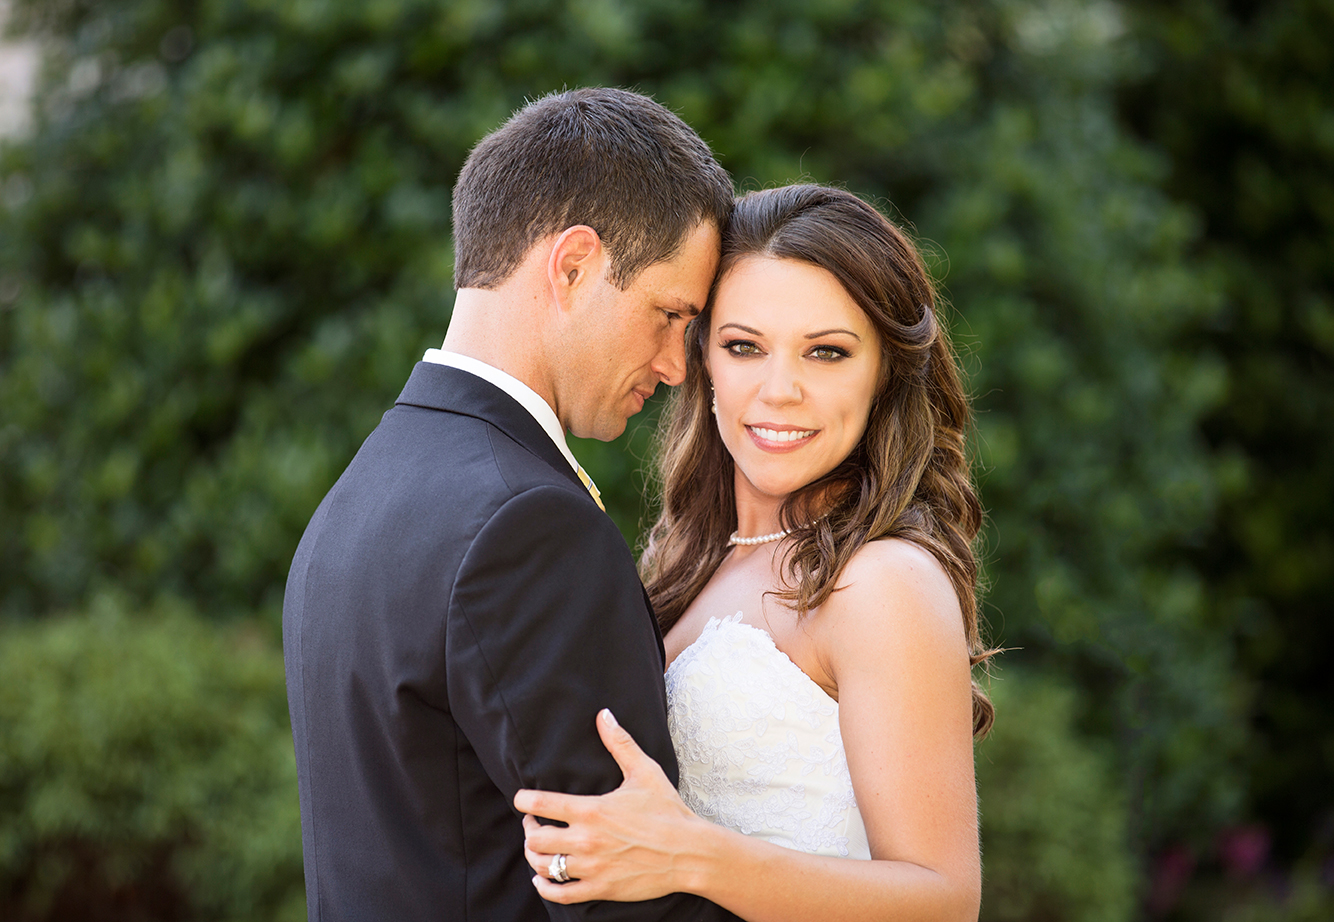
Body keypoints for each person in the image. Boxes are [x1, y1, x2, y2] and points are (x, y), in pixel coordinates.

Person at [282, 88, 742, 921]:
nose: (679, 365)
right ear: (572, 266)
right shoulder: (528, 526)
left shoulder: (359, 493)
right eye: (670, 314)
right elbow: (626, 904)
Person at [514, 184, 996, 922]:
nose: (781, 391)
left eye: (827, 353)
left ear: (884, 375)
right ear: (701, 361)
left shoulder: (881, 582)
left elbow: (943, 901)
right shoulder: (691, 561)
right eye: (745, 347)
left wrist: (692, 855)